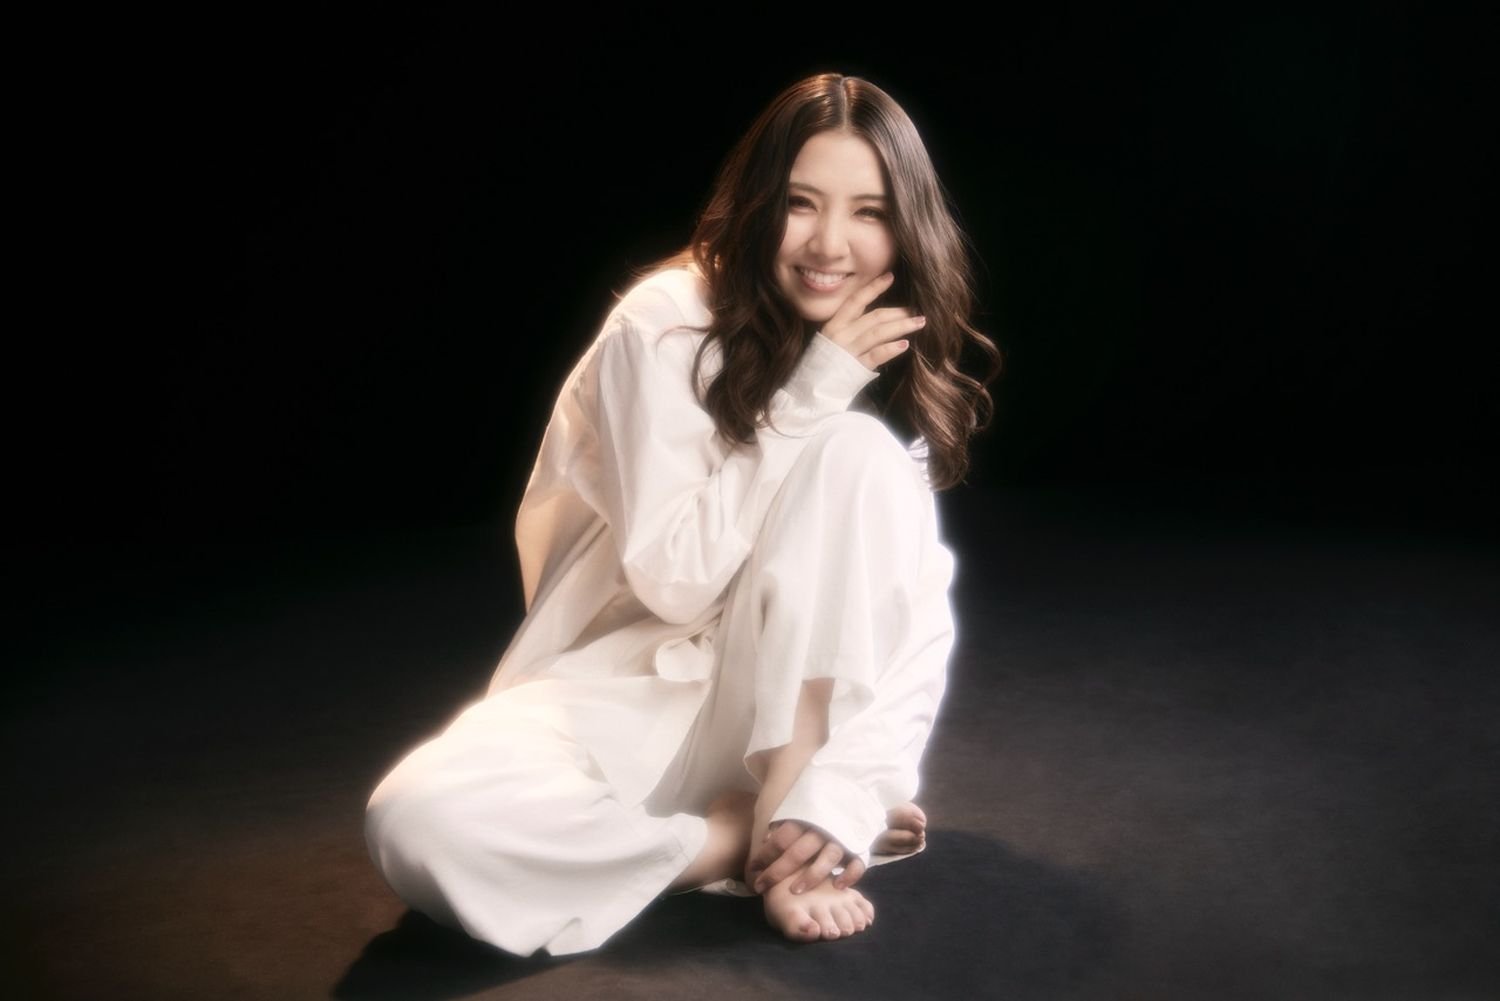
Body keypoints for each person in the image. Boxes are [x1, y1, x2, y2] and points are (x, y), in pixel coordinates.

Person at [364, 71, 1000, 956]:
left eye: (869, 211)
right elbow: (674, 581)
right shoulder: (663, 323)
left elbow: (912, 616)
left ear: (906, 227)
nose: (829, 244)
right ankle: (741, 838)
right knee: (415, 819)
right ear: (758, 202)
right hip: (631, 691)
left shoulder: (890, 348)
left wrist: (845, 787)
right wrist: (813, 389)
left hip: (782, 724)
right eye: (800, 203)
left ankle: (793, 819)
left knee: (858, 451)